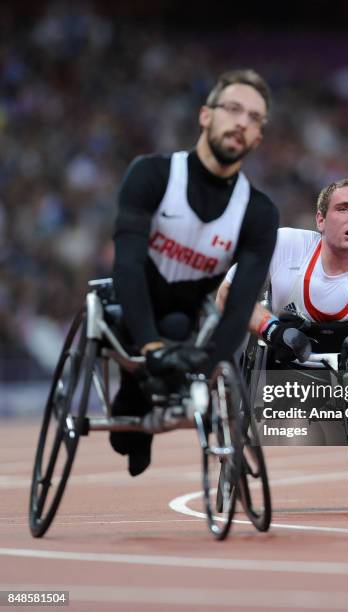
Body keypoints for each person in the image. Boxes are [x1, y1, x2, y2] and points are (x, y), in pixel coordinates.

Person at [111, 69, 279, 476]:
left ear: (257, 137)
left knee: (179, 321)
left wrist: (206, 365)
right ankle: (135, 400)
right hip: (134, 311)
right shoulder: (151, 174)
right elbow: (127, 263)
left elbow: (239, 308)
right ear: (206, 116)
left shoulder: (257, 212)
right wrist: (149, 346)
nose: (241, 122)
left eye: (254, 118)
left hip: (188, 319)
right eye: (233, 109)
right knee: (123, 436)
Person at [217, 178, 348, 386]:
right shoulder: (283, 245)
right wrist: (271, 328)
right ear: (320, 220)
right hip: (287, 362)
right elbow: (227, 294)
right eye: (343, 209)